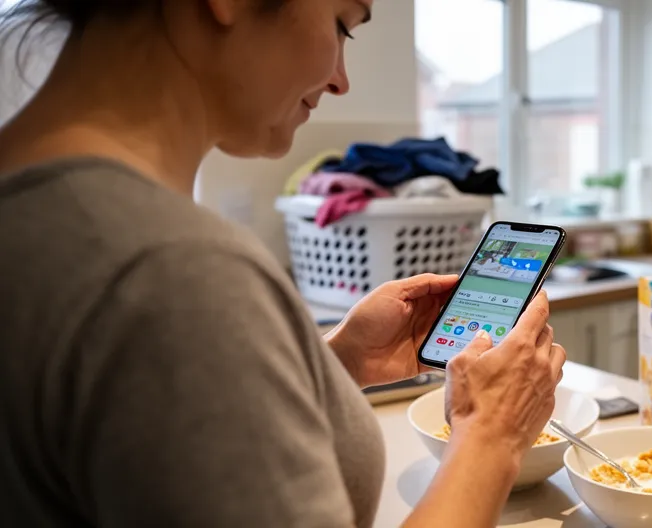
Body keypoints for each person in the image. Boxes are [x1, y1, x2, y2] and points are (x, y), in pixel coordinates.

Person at [0, 1, 566, 527]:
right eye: (342, 24)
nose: (341, 79)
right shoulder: (171, 270)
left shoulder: (41, 211)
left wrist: (335, 360)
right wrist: (492, 435)